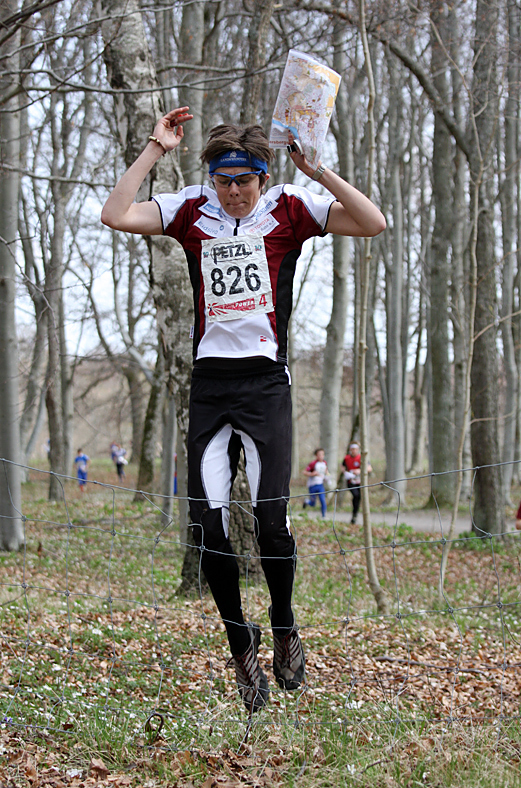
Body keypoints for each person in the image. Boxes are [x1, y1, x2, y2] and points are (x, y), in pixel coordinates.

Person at [101, 106, 386, 714]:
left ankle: (284, 625)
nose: (233, 193)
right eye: (224, 181)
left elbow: (373, 221)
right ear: (212, 179)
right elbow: (116, 214)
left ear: (261, 177)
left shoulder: (288, 208)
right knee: (208, 532)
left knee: (271, 522)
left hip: (265, 387)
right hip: (210, 387)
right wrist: (156, 149)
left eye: (244, 181)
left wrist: (316, 168)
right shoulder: (188, 209)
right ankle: (241, 647)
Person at [341, 442, 372, 524]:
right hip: (351, 481)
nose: (353, 451)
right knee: (356, 495)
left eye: (355, 449)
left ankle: (356, 515)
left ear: (358, 450)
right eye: (352, 449)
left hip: (360, 482)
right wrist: (346, 473)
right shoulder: (347, 458)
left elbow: (369, 468)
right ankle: (355, 514)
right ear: (350, 450)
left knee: (359, 498)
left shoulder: (361, 458)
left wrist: (359, 471)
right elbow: (342, 466)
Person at [303, 449, 329, 518]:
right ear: (316, 455)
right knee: (313, 503)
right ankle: (306, 501)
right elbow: (304, 472)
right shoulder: (313, 463)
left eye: (322, 454)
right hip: (312, 485)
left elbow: (326, 472)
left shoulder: (324, 463)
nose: (321, 456)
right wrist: (312, 474)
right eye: (319, 454)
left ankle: (323, 516)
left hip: (320, 485)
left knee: (323, 500)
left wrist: (327, 476)